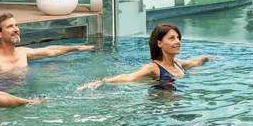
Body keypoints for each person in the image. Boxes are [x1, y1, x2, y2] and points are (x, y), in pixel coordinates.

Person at [77, 23, 213, 90]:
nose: (178, 42)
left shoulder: (178, 63)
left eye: (178, 38)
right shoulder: (154, 68)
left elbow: (194, 62)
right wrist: (102, 81)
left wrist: (206, 57)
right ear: (159, 43)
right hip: (159, 109)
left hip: (175, 105)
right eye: (172, 38)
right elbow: (129, 77)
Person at [0, 13, 93, 76]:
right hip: (3, 91)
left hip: (27, 88)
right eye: (10, 27)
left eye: (16, 25)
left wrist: (75, 48)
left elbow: (49, 51)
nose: (16, 29)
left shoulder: (23, 52)